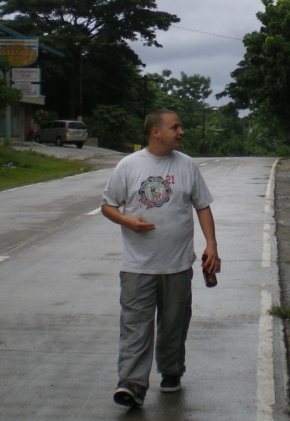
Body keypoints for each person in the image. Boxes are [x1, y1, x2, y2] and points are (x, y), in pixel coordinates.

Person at [100, 109, 221, 408]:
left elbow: (202, 206)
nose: (181, 132)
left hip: (178, 265)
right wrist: (128, 222)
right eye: (175, 127)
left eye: (180, 126)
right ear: (156, 132)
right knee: (135, 326)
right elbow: (108, 206)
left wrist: (212, 246)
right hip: (137, 266)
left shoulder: (187, 165)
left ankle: (170, 372)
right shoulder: (129, 166)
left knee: (173, 324)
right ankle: (131, 384)